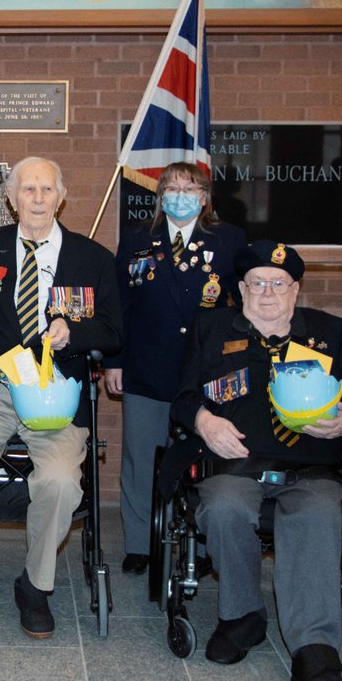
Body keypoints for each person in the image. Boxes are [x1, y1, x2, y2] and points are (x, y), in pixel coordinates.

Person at [159, 241, 342, 681]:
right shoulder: (211, 328)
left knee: (318, 514)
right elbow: (183, 398)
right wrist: (204, 420)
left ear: (295, 289)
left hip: (311, 466)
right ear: (241, 289)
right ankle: (243, 617)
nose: (268, 293)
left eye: (278, 284)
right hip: (234, 463)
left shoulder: (328, 331)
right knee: (223, 508)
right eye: (257, 283)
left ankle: (315, 648)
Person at [0, 157, 121, 637]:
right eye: (27, 190)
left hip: (55, 394)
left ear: (61, 197)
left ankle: (35, 586)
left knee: (59, 482)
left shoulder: (93, 258)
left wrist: (73, 331)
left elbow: (114, 331)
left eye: (45, 189)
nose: (37, 198)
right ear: (11, 200)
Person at [105, 162, 245, 575]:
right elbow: (120, 307)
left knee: (202, 458)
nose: (180, 195)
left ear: (204, 197)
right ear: (160, 195)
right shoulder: (136, 238)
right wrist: (115, 361)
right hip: (146, 366)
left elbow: (241, 306)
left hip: (205, 374)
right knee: (141, 457)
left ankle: (202, 546)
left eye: (190, 188)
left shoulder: (228, 239)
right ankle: (139, 544)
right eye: (172, 188)